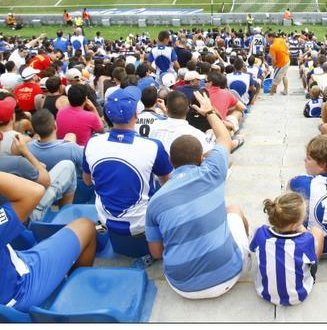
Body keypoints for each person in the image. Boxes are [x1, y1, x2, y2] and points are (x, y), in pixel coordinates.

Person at [145, 122, 247, 300]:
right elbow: (224, 138)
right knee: (234, 209)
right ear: (201, 158)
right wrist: (209, 112)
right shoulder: (214, 172)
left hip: (183, 287)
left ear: (171, 161)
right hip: (230, 276)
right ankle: (241, 253)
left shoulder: (155, 201)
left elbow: (156, 253)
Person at [0, 172, 97, 313]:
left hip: (11, 267)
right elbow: (35, 190)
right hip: (20, 289)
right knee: (87, 225)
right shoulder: (18, 162)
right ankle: (74, 292)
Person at [83, 86, 173, 236]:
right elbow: (166, 183)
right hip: (142, 224)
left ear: (107, 117)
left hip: (104, 220)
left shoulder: (92, 143)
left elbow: (87, 181)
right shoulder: (152, 146)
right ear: (136, 115)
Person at [249, 192, 324, 306]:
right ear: (295, 225)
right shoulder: (306, 240)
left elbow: (252, 248)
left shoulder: (261, 233)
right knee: (317, 232)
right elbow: (312, 261)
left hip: (264, 292)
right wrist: (303, 231)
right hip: (298, 295)